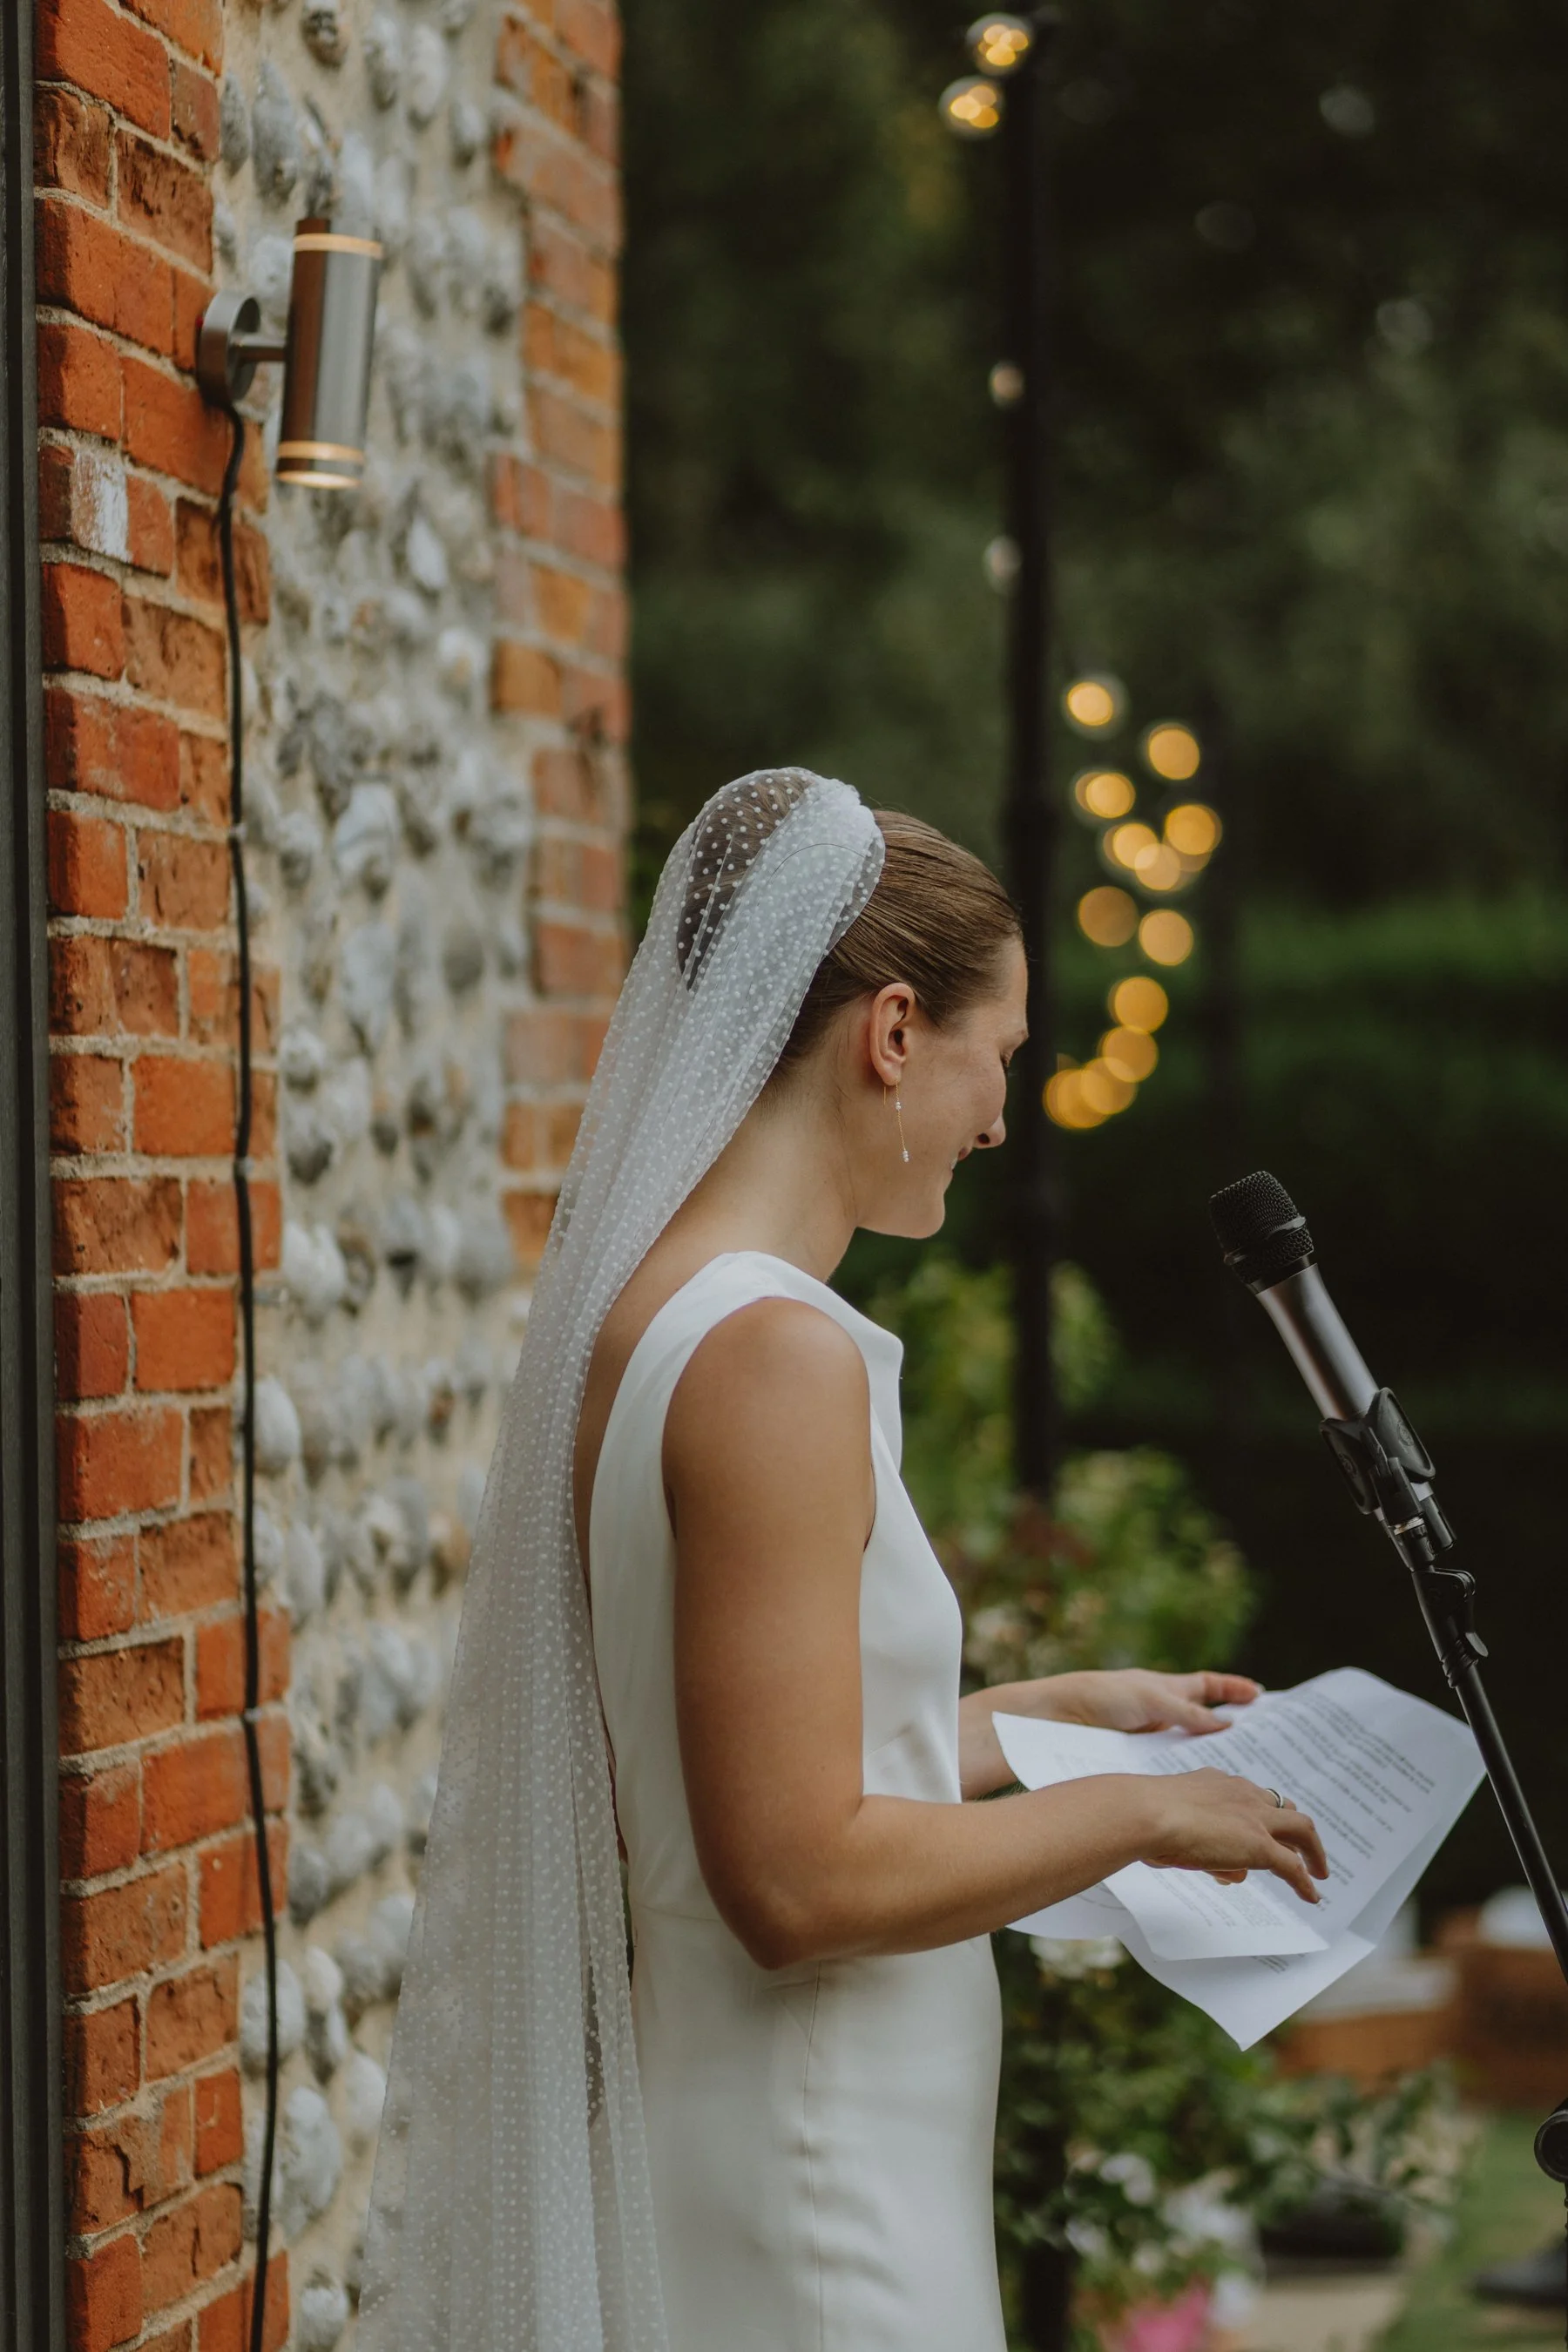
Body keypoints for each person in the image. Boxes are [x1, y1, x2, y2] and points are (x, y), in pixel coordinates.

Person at [360, 771, 1326, 2352]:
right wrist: (1144, 1810)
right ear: (890, 1034)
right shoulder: (771, 1357)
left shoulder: (664, 1311)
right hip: (817, 2192)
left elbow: (735, 1765)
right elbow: (793, 1877)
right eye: (997, 1059)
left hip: (794, 2146)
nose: (1004, 1116)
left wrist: (1053, 1716)